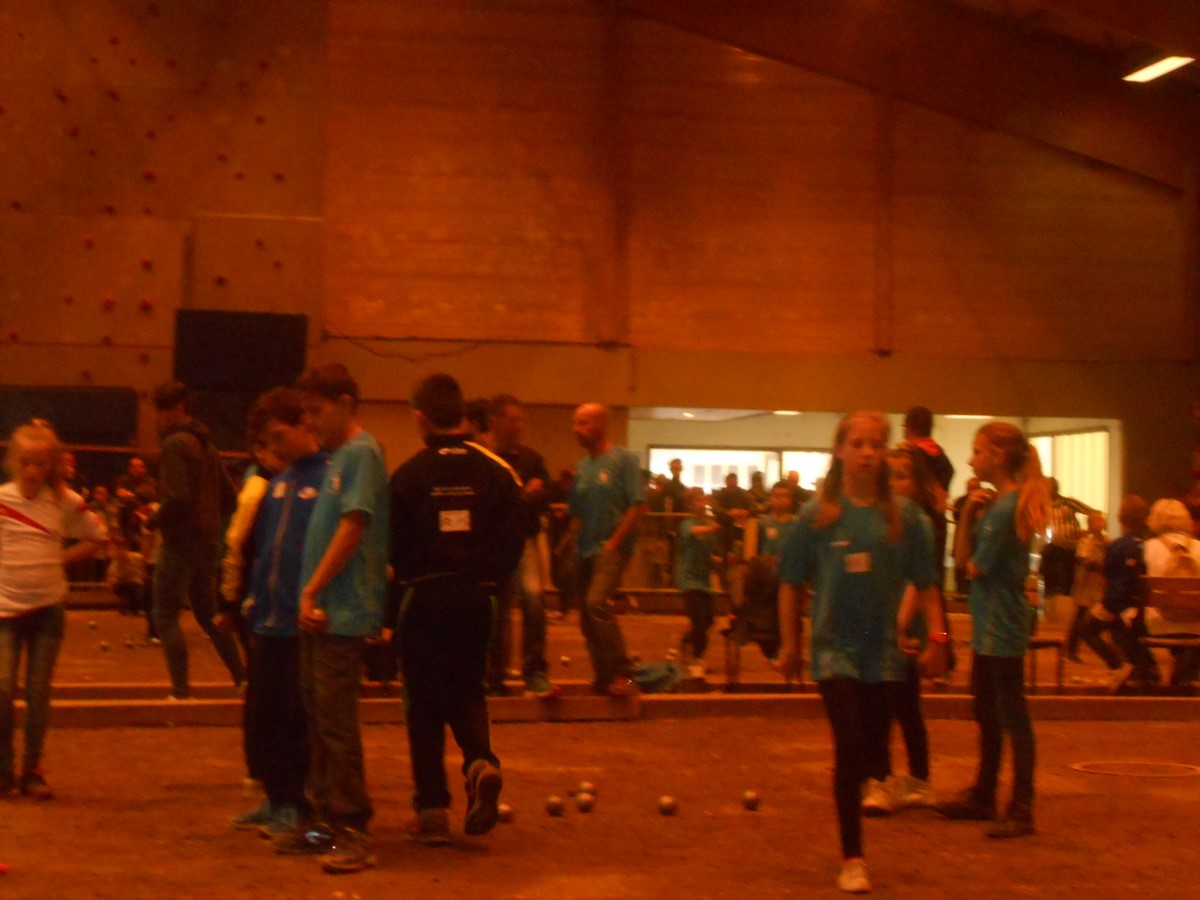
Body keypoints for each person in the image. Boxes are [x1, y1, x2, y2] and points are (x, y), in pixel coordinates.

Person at [777, 411, 948, 894]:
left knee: (873, 753)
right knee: (849, 746)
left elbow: (927, 584)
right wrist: (790, 644)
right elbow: (790, 584)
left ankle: (873, 792)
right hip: (833, 649)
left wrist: (938, 639)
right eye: (858, 444)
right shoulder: (816, 516)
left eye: (876, 445)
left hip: (882, 654)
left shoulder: (906, 519)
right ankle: (852, 857)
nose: (868, 453)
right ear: (840, 451)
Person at [388, 374, 524, 845]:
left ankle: (431, 811)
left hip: (423, 597)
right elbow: (515, 537)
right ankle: (480, 761)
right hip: (476, 598)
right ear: (463, 414)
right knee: (468, 690)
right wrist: (491, 580)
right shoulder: (497, 472)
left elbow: (392, 547)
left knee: (422, 703)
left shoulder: (408, 475)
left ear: (420, 418)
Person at [273, 364, 388, 874]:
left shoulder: (363, 454)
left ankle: (352, 828)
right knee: (317, 718)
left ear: (345, 403)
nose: (312, 421)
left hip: (344, 609)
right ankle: (322, 821)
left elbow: (354, 524)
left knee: (337, 724)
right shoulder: (338, 456)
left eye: (318, 411)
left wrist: (314, 588)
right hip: (322, 611)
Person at [937, 422, 1050, 839]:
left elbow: (973, 566)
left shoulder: (1004, 510)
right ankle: (985, 794)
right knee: (986, 709)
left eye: (978, 452)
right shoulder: (1000, 505)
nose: (971, 460)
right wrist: (968, 513)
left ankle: (1021, 806)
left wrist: (970, 521)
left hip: (1001, 624)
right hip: (990, 625)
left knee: (1011, 714)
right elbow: (966, 562)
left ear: (998, 457)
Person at [229, 388, 328, 839]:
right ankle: (273, 797)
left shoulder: (327, 480)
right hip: (267, 619)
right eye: (267, 441)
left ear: (304, 423)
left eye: (280, 436)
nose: (275, 447)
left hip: (299, 622)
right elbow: (265, 549)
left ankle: (296, 801)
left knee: (294, 717)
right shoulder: (277, 484)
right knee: (264, 712)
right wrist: (251, 598)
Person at [0, 420, 106, 798]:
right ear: (13, 462)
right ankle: (3, 769)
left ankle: (33, 769)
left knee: (38, 692)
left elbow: (98, 536)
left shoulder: (65, 501)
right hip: (4, 611)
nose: (32, 471)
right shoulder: (2, 499)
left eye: (40, 464)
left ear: (52, 465)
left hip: (47, 610)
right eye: (25, 462)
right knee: (2, 688)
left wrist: (59, 559)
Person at [146, 381, 245, 699]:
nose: (157, 419)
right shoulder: (208, 447)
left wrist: (153, 520)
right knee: (208, 615)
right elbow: (230, 498)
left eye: (160, 411)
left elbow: (177, 498)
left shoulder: (175, 444)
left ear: (176, 410)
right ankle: (242, 679)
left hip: (180, 543)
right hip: (207, 543)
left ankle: (180, 691)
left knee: (164, 615)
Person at [860, 446, 942, 818]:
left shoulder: (918, 523)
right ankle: (887, 778)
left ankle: (905, 781)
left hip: (901, 627)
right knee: (883, 706)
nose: (893, 483)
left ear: (917, 484)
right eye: (888, 476)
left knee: (902, 706)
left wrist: (899, 626)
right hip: (876, 625)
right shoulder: (874, 519)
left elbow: (918, 581)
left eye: (901, 476)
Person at [483, 394, 558, 699]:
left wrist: (533, 496)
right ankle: (494, 675)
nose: (519, 426)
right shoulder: (483, 460)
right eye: (513, 420)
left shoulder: (530, 459)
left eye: (521, 420)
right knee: (497, 611)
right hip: (493, 545)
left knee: (534, 602)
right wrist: (525, 496)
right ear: (495, 422)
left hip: (524, 541)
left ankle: (534, 670)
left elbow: (549, 492)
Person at [568, 403, 643, 697]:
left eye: (583, 423)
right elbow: (577, 512)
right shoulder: (581, 467)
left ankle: (623, 674)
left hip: (610, 548)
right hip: (584, 549)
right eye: (575, 423)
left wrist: (614, 543)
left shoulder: (624, 460)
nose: (576, 430)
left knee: (597, 603)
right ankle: (603, 676)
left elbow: (637, 505)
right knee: (586, 617)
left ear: (600, 425)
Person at [1086, 496, 1159, 690]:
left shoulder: (1117, 545)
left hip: (1117, 602)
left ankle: (1118, 664)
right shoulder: (1149, 544)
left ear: (1121, 518)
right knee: (1118, 625)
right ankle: (1144, 666)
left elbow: (1106, 579)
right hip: (1140, 604)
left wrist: (1100, 599)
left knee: (1088, 629)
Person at [1142, 498, 1200, 687]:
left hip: (1158, 624)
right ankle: (1186, 677)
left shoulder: (1148, 547)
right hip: (1196, 625)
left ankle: (1146, 671)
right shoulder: (1199, 547)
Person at [675, 488, 720, 672]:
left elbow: (709, 551)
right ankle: (698, 657)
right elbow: (693, 531)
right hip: (689, 579)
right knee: (699, 619)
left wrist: (715, 559)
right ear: (690, 505)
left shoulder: (709, 525)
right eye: (697, 501)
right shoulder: (687, 523)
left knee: (709, 620)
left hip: (704, 580)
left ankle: (686, 639)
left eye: (703, 500)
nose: (702, 504)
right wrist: (709, 528)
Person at [1066, 511, 1109, 665]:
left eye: (1101, 521)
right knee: (1081, 614)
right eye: (1097, 521)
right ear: (1090, 523)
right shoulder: (1086, 541)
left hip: (1098, 583)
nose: (1100, 523)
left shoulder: (1105, 541)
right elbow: (1083, 560)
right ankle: (1071, 650)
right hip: (1087, 583)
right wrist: (1100, 566)